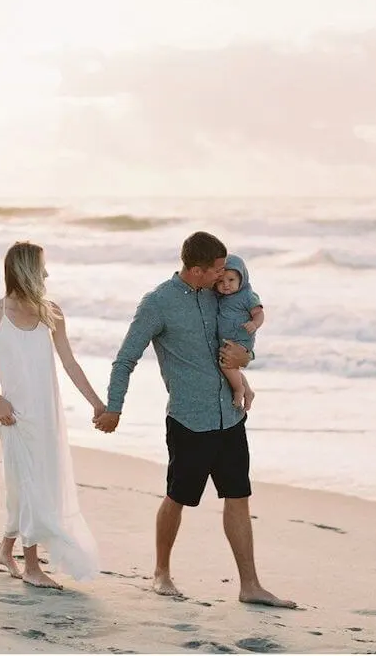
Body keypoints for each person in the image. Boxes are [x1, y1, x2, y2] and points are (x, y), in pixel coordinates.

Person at [94, 232, 296, 608]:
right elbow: (125, 359)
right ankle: (161, 573)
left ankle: (249, 585)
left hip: (229, 416)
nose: (225, 275)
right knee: (178, 497)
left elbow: (237, 347)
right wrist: (114, 407)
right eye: (218, 270)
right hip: (190, 420)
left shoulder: (220, 296)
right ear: (197, 270)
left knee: (239, 497)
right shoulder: (158, 303)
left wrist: (245, 363)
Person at [0, 241, 104, 589]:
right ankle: (31, 566)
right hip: (14, 415)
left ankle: (6, 550)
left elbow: (69, 362)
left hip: (47, 414)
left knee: (31, 484)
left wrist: (96, 402)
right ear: (25, 270)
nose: (46, 273)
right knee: (30, 485)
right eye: (42, 267)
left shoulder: (51, 312)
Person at [215, 253, 265, 409]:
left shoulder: (247, 295)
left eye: (231, 280)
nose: (226, 285)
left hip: (242, 339)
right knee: (230, 366)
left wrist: (254, 324)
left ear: (241, 279)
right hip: (228, 341)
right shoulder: (220, 297)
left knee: (226, 365)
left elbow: (259, 313)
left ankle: (239, 390)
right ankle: (248, 391)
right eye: (221, 281)